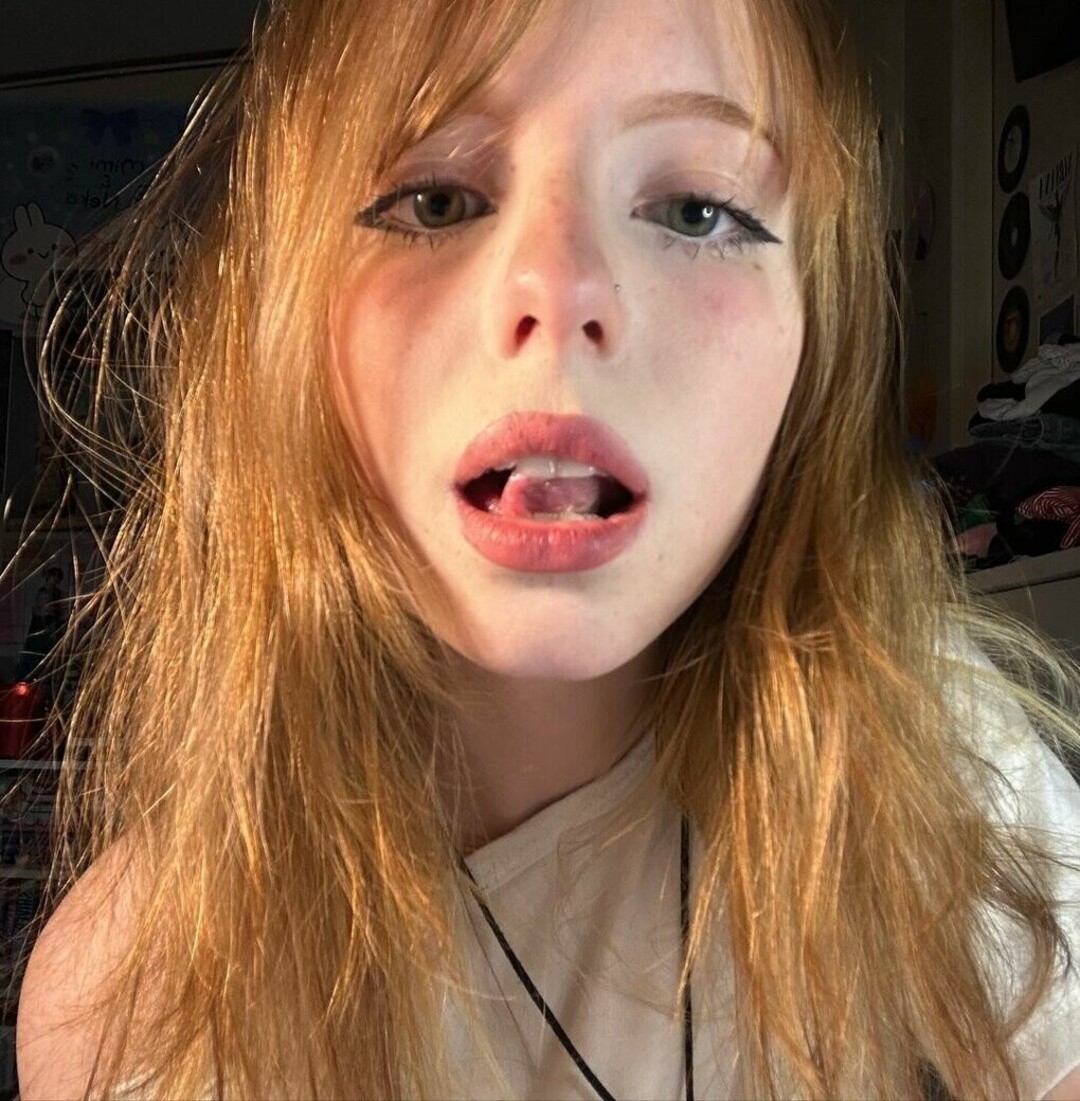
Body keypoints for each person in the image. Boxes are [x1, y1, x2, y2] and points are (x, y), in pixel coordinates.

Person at [12, 0, 1080, 1096]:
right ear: (282, 317)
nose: (562, 291)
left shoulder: (939, 776)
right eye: (434, 200)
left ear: (816, 333)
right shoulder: (130, 1005)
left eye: (698, 210)